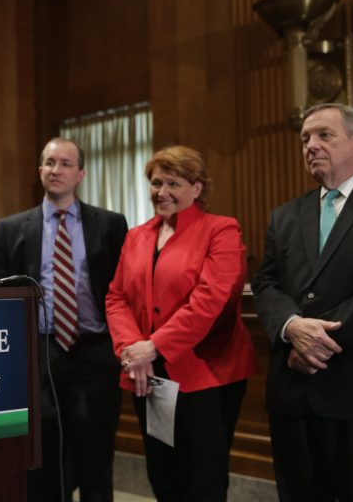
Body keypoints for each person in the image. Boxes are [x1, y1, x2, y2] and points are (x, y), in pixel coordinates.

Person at [252, 103, 353, 501]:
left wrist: (317, 339)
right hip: (295, 393)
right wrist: (292, 328)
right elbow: (266, 283)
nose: (311, 145)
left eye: (325, 135)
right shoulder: (285, 215)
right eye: (305, 138)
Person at [106, 145, 258, 501]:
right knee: (163, 476)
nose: (162, 192)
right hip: (146, 373)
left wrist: (153, 346)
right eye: (156, 183)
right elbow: (117, 297)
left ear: (197, 188)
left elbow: (210, 302)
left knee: (202, 482)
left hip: (206, 375)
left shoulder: (221, 230)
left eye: (173, 183)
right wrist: (132, 351)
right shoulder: (136, 236)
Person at [0, 138, 128, 502]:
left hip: (96, 352)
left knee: (96, 456)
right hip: (40, 354)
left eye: (66, 164)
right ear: (40, 171)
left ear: (80, 173)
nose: (56, 170)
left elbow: (125, 290)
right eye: (50, 163)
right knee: (45, 458)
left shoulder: (111, 225)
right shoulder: (11, 228)